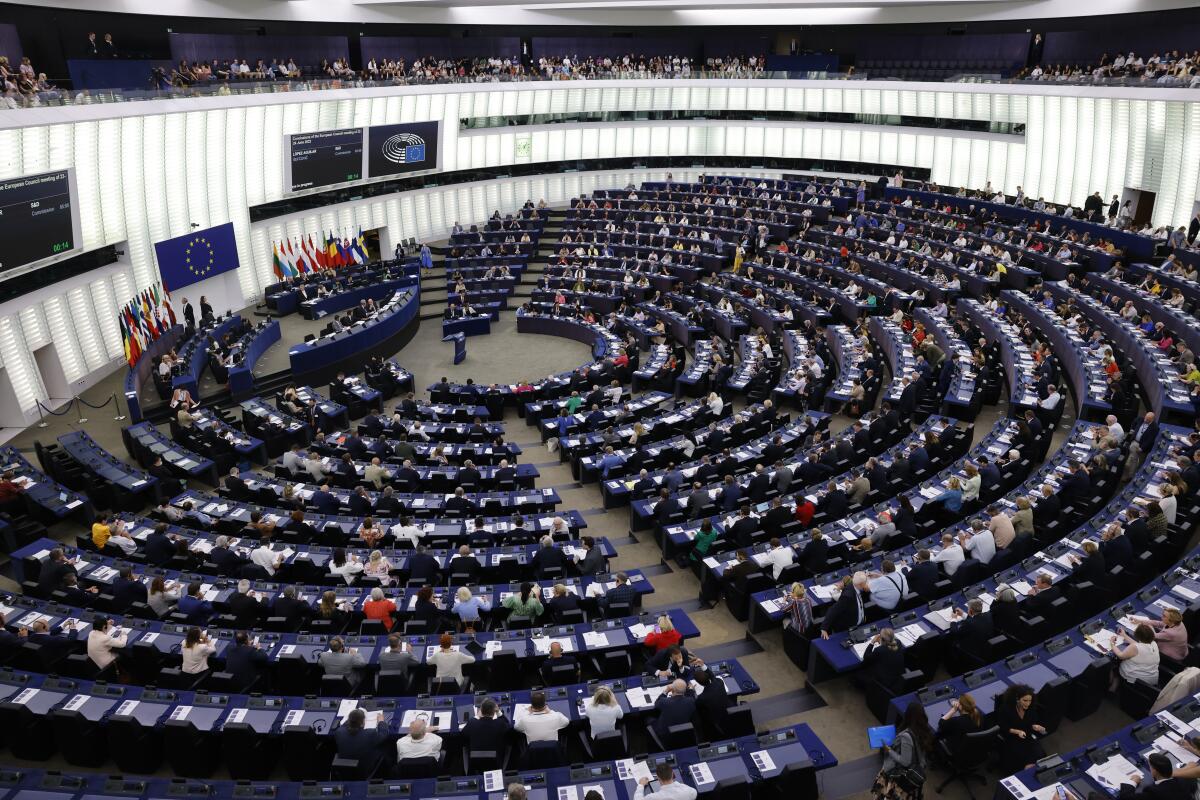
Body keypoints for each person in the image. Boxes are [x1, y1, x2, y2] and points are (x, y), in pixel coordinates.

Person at [870, 701, 932, 800]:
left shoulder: (907, 736)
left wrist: (889, 750)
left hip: (900, 776)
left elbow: (905, 761)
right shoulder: (923, 730)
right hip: (915, 770)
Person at [995, 684, 1046, 774]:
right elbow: (1003, 727)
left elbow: (1031, 723)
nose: (1028, 703)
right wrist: (1017, 731)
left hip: (1026, 735)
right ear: (1017, 699)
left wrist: (1036, 726)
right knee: (1022, 759)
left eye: (1030, 700)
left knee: (1040, 754)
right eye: (1025, 700)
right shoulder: (1006, 710)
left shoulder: (1031, 709)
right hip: (1011, 737)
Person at [1113, 623, 1161, 687]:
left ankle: (1113, 686)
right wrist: (1124, 635)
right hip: (1151, 679)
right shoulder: (1153, 643)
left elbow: (1120, 655)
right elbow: (1139, 645)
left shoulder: (1134, 647)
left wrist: (1112, 644)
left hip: (1135, 681)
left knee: (1114, 664)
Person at [863, 628, 906, 693]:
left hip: (886, 680)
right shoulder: (898, 642)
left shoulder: (880, 650)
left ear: (881, 639)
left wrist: (872, 642)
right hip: (898, 676)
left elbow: (866, 657)